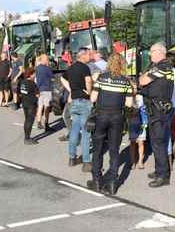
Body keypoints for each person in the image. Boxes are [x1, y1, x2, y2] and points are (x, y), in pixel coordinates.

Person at [86, 53, 133, 195]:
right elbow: (129, 103)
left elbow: (93, 98)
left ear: (109, 63)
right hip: (117, 117)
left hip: (101, 116)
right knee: (114, 150)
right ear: (122, 65)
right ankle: (112, 183)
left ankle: (96, 181)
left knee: (98, 148)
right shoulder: (126, 81)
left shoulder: (102, 78)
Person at [138, 42, 175, 188]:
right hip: (156, 110)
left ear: (160, 52)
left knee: (159, 143)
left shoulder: (163, 67)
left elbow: (142, 81)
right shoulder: (159, 67)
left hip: (159, 111)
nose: (149, 54)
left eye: (152, 51)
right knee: (155, 142)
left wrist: (145, 77)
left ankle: (163, 176)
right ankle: (159, 170)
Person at [61, 47, 93, 172]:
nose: (90, 56)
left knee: (75, 129)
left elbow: (63, 78)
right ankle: (86, 162)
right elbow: (88, 81)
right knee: (86, 132)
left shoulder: (71, 67)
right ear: (83, 55)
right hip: (84, 101)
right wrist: (88, 92)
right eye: (89, 54)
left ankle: (72, 158)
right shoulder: (85, 67)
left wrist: (71, 90)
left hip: (74, 101)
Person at [19, 68, 40, 145]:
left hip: (24, 103)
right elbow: (38, 95)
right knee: (30, 121)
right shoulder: (32, 83)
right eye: (34, 74)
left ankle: (26, 137)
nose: (35, 75)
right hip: (31, 104)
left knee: (26, 120)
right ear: (31, 74)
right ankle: (27, 138)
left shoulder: (22, 82)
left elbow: (20, 93)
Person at [129, 93, 148, 170]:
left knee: (141, 142)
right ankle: (133, 162)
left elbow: (144, 110)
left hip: (142, 123)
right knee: (133, 142)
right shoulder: (129, 97)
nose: (134, 90)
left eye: (136, 87)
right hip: (132, 123)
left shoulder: (142, 97)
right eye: (133, 88)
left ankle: (140, 161)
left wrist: (145, 122)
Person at [35, 54, 54, 131]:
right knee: (46, 107)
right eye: (47, 59)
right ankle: (46, 124)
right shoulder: (47, 68)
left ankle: (39, 123)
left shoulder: (37, 68)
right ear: (43, 60)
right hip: (47, 89)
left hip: (39, 89)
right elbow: (52, 77)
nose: (48, 61)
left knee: (40, 106)